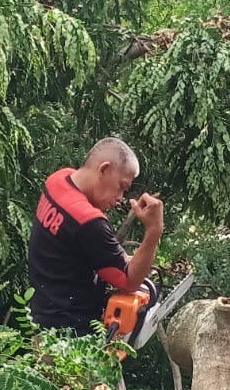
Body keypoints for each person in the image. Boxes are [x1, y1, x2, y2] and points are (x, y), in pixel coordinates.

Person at [28, 137, 164, 334]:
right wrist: (154, 231)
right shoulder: (89, 221)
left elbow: (74, 248)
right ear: (104, 169)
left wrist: (125, 258)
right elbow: (130, 280)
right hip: (70, 339)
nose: (120, 198)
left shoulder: (57, 181)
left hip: (40, 321)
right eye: (122, 186)